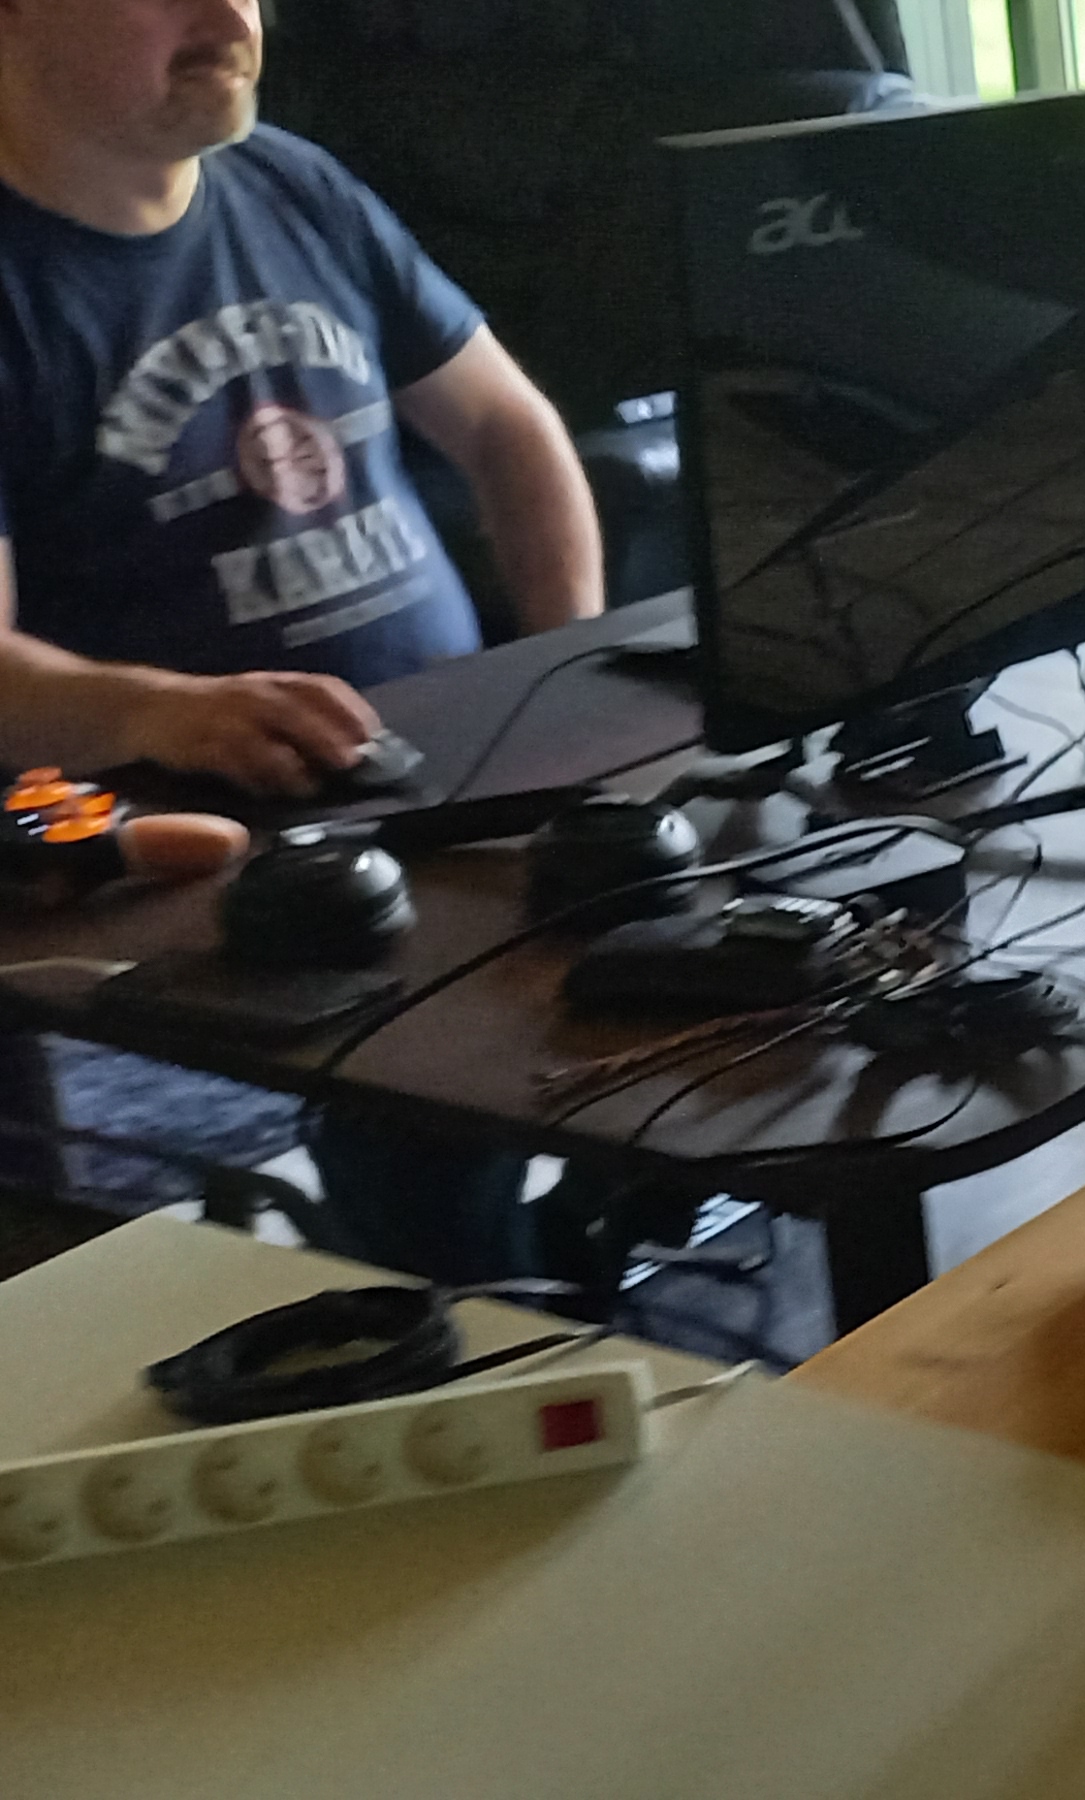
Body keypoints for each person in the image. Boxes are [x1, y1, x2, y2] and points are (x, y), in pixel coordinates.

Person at [0, 0, 604, 1279]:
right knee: (438, 1071)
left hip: (455, 751)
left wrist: (570, 673)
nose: (229, 15)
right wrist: (161, 710)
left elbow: (509, 429)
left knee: (728, 935)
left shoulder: (290, 181)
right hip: (200, 831)